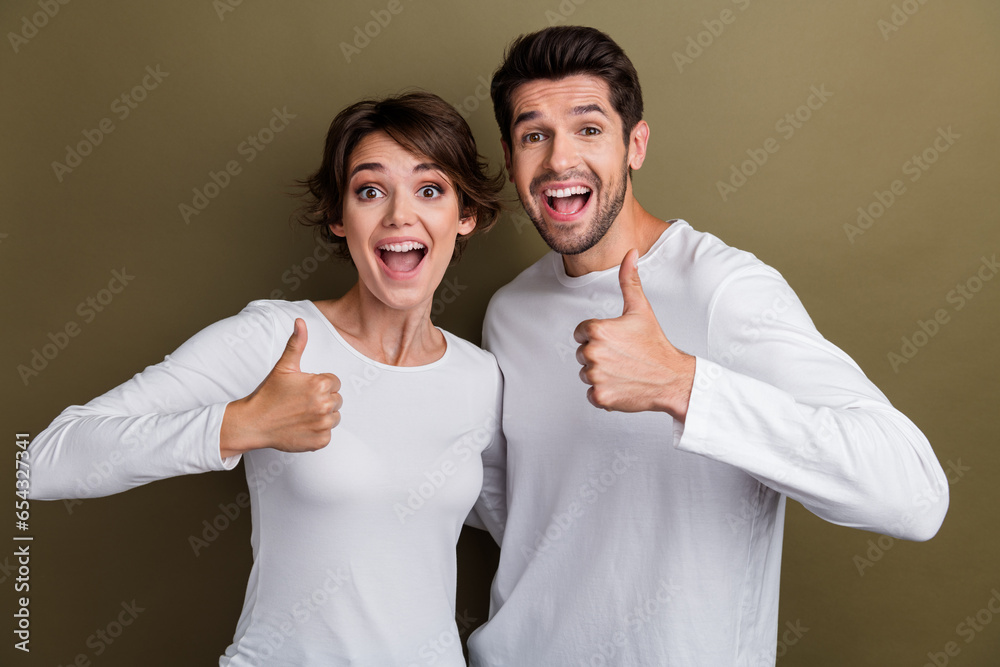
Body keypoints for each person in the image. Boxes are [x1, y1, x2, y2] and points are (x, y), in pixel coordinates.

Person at [466, 26, 950, 666]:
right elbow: (522, 516)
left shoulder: (726, 290)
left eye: (588, 129)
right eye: (535, 135)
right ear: (510, 155)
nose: (559, 160)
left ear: (635, 144)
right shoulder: (509, 313)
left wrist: (681, 385)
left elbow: (914, 495)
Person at [27, 91, 507, 666]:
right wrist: (238, 425)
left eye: (430, 190)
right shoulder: (274, 339)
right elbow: (41, 464)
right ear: (339, 217)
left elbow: (526, 532)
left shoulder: (480, 378)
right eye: (370, 190)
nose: (399, 215)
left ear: (466, 216)